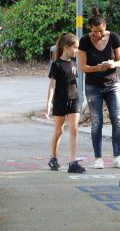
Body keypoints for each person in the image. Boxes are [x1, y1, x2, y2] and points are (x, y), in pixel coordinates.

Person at [78, 7, 120, 169]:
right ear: (90, 29)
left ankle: (118, 156)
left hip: (112, 84)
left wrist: (113, 64)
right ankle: (98, 158)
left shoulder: (114, 38)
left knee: (117, 120)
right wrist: (97, 68)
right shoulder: (84, 41)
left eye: (101, 31)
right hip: (93, 85)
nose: (98, 35)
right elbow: (83, 67)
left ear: (105, 26)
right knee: (97, 122)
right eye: (95, 32)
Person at [46, 32, 86, 173]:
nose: (76, 50)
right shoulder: (56, 65)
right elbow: (52, 86)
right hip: (60, 100)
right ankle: (53, 158)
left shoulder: (74, 64)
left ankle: (73, 162)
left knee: (74, 129)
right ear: (66, 47)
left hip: (73, 99)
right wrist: (48, 105)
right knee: (59, 130)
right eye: (75, 47)